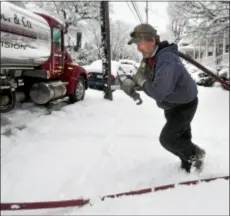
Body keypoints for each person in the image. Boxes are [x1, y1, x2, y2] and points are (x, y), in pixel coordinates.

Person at [121, 24, 205, 173]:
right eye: (136, 45)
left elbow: (159, 92)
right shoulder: (148, 58)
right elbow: (140, 74)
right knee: (181, 136)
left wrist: (141, 81)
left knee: (168, 139)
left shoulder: (167, 59)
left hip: (185, 104)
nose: (138, 48)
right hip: (171, 104)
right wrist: (131, 81)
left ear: (152, 40)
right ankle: (187, 165)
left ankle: (196, 156)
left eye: (139, 44)